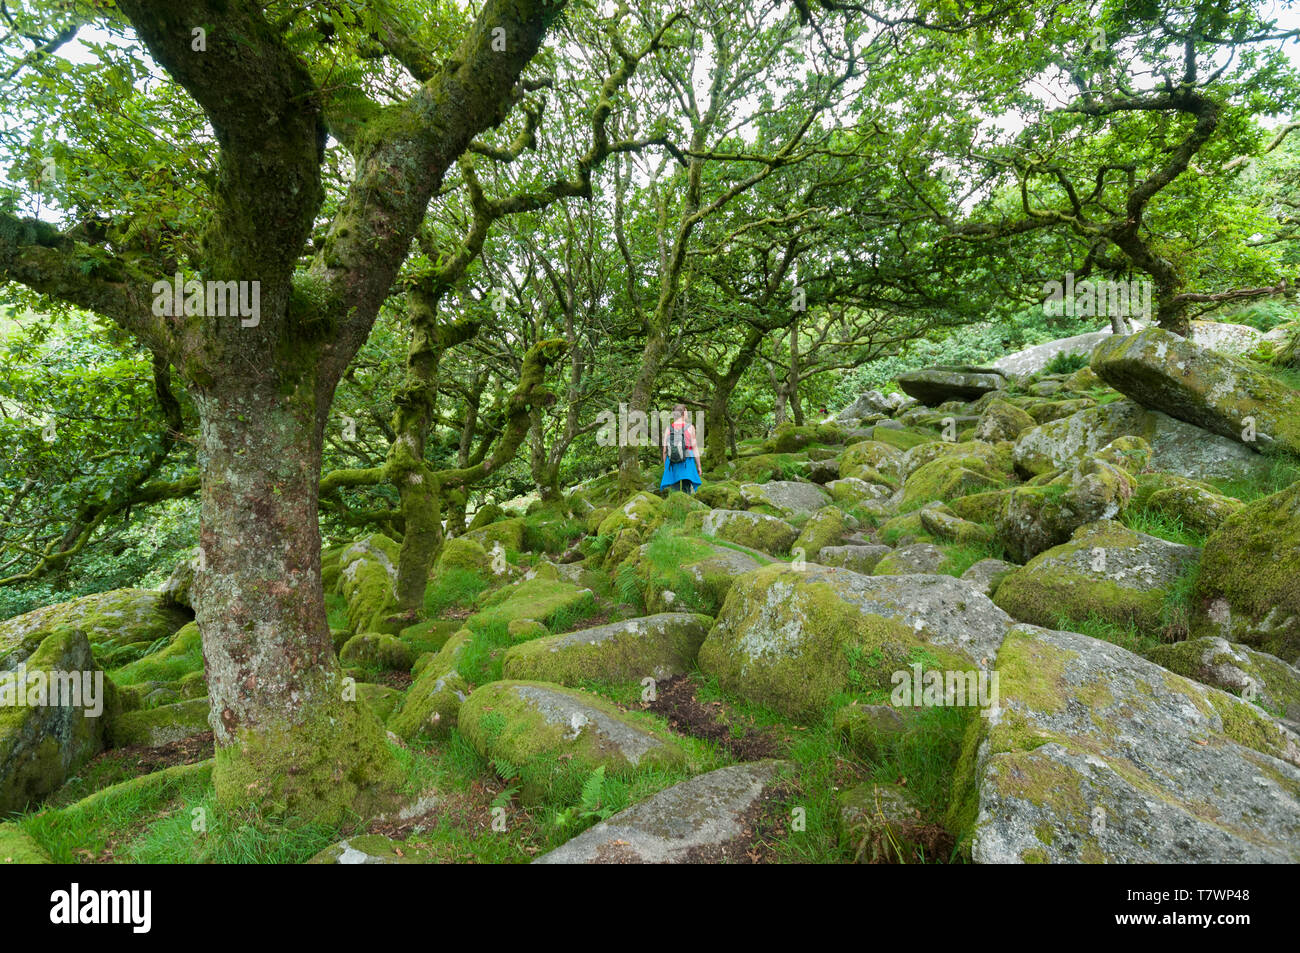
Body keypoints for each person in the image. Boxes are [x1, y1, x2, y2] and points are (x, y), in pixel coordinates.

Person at [660, 403, 702, 495]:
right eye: (686, 412)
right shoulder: (690, 428)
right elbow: (695, 448)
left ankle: (675, 505)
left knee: (675, 488)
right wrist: (699, 465)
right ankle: (686, 506)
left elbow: (664, 450)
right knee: (686, 488)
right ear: (683, 413)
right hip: (687, 460)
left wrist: (665, 465)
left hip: (672, 461)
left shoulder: (668, 428)